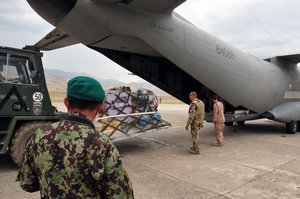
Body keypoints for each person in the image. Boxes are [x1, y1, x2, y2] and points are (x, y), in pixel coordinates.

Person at [18, 76, 134, 199]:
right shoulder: (101, 143)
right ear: (100, 106)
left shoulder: (40, 135)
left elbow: (27, 183)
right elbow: (120, 195)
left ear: (66, 103)